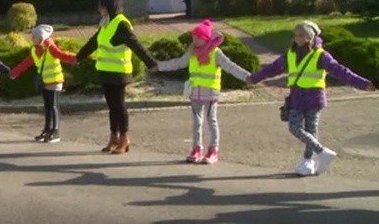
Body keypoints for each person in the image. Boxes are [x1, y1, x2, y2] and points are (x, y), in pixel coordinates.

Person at [247, 20, 376, 176]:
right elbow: (273, 68)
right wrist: (255, 78)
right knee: (294, 127)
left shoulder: (321, 55)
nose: (298, 39)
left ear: (310, 37)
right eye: (296, 35)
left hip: (314, 98)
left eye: (302, 35)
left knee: (311, 129)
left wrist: (364, 84)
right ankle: (322, 152)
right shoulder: (290, 54)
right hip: (296, 98)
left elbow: (341, 72)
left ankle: (309, 162)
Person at [152, 19, 251, 164]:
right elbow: (178, 63)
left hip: (211, 93)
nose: (194, 39)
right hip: (195, 92)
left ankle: (213, 150)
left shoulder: (216, 53)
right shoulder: (192, 51)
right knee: (197, 122)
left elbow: (231, 67)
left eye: (198, 36)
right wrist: (158, 66)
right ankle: (196, 148)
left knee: (211, 121)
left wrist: (248, 76)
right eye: (193, 36)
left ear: (205, 38)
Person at [75, 0, 158, 155]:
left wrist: (151, 63)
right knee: (112, 107)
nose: (99, 9)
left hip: (119, 72)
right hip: (105, 71)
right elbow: (94, 42)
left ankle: (124, 138)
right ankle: (113, 137)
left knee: (119, 106)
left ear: (108, 6)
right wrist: (78, 57)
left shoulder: (121, 24)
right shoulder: (105, 23)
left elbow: (136, 45)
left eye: (101, 6)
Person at [10, 25, 77, 143]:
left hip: (55, 81)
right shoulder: (34, 50)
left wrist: (77, 58)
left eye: (34, 36)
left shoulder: (50, 47)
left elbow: (62, 55)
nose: (31, 38)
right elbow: (27, 62)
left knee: (54, 106)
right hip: (45, 82)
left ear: (41, 37)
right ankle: (47, 130)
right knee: (47, 108)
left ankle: (55, 132)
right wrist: (15, 72)